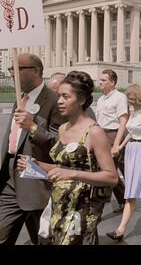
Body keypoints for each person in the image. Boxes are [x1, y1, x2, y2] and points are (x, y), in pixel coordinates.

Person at [18, 71, 118, 245]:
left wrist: (73, 174)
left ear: (81, 100)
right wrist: (36, 164)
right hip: (59, 204)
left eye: (65, 96)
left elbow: (111, 177)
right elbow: (62, 167)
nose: (59, 101)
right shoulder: (64, 128)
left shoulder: (94, 132)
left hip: (82, 210)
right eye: (59, 96)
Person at [0, 53, 64, 245]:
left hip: (38, 181)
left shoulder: (55, 101)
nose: (12, 73)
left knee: (44, 239)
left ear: (35, 71)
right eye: (11, 69)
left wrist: (33, 127)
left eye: (17, 69)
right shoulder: (21, 98)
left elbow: (61, 144)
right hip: (10, 178)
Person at [107, 84, 141, 241]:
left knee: (131, 192)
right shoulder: (134, 111)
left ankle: (120, 230)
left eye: (130, 97)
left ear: (137, 97)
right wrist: (119, 146)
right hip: (131, 150)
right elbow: (131, 132)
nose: (128, 100)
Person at [96, 69, 128, 213]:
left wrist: (116, 144)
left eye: (103, 80)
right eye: (100, 80)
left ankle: (98, 207)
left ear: (113, 83)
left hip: (115, 135)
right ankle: (124, 200)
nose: (100, 82)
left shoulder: (119, 97)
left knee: (109, 172)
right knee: (110, 172)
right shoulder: (101, 99)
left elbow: (123, 121)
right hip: (102, 136)